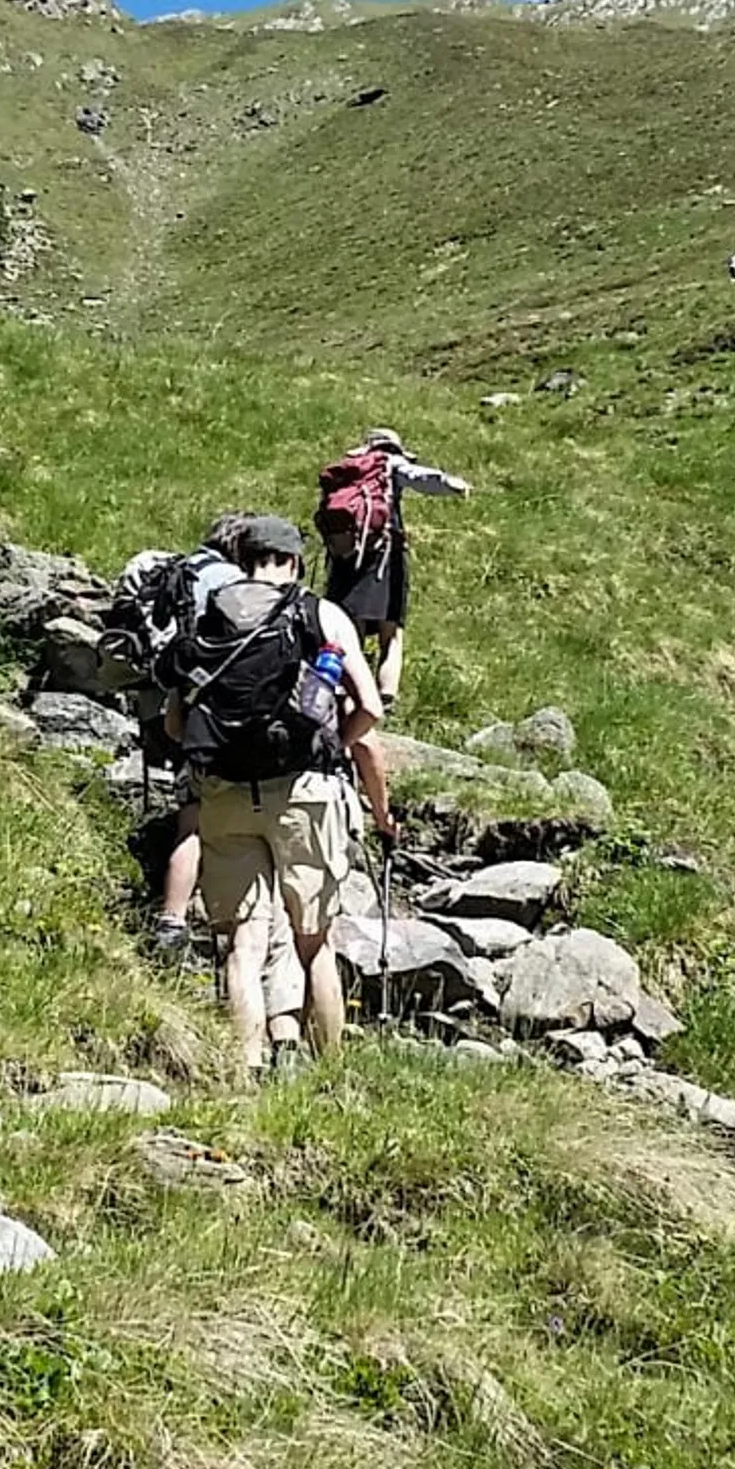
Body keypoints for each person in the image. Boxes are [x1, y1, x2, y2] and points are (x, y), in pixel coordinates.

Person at [174, 516, 389, 1070]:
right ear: (294, 562)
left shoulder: (208, 616)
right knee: (313, 941)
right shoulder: (320, 613)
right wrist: (334, 746)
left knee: (243, 943)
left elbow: (176, 722)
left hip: (225, 792)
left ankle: (246, 1071)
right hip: (304, 791)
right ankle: (329, 1073)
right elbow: (371, 707)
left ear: (240, 559)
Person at [137, 514, 254, 950]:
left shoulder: (182, 569)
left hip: (182, 704)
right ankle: (234, 925)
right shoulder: (234, 583)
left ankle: (171, 919)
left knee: (190, 819)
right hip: (227, 713)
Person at [313, 427, 472, 704]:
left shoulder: (347, 472)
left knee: (349, 627)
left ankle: (344, 691)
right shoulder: (389, 463)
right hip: (384, 557)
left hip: (344, 557)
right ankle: (385, 695)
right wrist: (449, 483)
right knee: (391, 633)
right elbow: (418, 477)